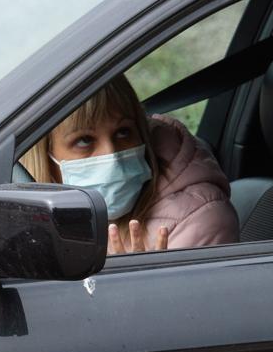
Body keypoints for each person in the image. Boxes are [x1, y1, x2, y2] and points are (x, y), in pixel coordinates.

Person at [19, 75, 238, 254]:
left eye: (123, 132)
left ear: (142, 133)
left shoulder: (201, 220)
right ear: (45, 156)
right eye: (85, 140)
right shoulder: (39, 217)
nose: (112, 155)